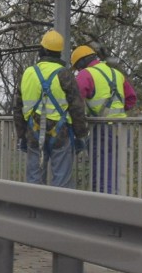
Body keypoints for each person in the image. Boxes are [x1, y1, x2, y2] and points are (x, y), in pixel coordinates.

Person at [14, 30, 89, 188]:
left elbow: (18, 107)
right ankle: (59, 211)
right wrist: (81, 135)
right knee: (61, 183)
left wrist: (21, 135)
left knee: (34, 181)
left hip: (33, 133)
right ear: (59, 52)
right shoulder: (65, 74)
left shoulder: (28, 73)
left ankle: (34, 211)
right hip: (60, 134)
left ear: (44, 50)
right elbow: (77, 107)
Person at [71, 45, 137, 194]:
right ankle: (115, 208)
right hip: (122, 129)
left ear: (81, 63)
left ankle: (102, 211)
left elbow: (74, 102)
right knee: (116, 174)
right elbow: (131, 98)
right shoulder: (116, 74)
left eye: (77, 68)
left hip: (102, 130)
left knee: (101, 176)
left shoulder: (85, 75)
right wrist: (117, 111)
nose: (77, 71)